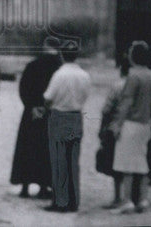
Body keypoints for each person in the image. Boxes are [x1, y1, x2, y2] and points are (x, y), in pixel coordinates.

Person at [42, 40, 91, 213]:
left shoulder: (59, 75)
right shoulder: (85, 75)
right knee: (73, 160)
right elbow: (86, 96)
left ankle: (60, 200)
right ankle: (73, 200)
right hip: (76, 116)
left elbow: (48, 97)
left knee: (59, 159)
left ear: (62, 55)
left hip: (60, 116)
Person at [10, 37, 61, 199]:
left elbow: (23, 88)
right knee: (46, 149)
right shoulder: (59, 67)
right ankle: (44, 186)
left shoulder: (32, 65)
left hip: (31, 112)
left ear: (45, 46)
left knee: (28, 147)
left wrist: (31, 106)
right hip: (50, 113)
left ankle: (25, 186)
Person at [109, 41, 151, 214]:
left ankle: (127, 200)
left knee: (126, 165)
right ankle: (143, 199)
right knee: (141, 163)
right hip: (145, 122)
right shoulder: (150, 75)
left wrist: (117, 124)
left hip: (131, 123)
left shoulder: (132, 75)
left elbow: (126, 102)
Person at [96, 59, 129, 208]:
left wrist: (102, 129)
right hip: (136, 126)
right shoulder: (142, 84)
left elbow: (106, 109)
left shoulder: (118, 86)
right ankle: (132, 197)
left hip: (116, 126)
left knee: (116, 164)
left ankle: (117, 197)